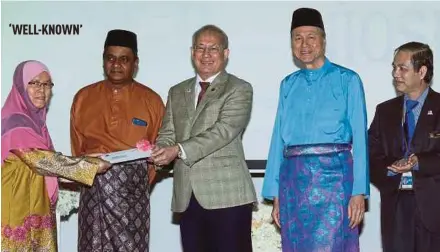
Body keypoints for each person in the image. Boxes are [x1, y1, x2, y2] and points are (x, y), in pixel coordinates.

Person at [262, 8, 370, 251]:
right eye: (297, 38)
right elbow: (278, 140)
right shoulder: (288, 84)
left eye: (311, 37)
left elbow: (361, 141)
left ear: (323, 40)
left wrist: (358, 192)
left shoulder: (348, 79)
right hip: (293, 184)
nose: (304, 44)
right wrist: (275, 192)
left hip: (335, 183)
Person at [150, 24, 257, 252]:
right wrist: (158, 152)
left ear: (226, 53)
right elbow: (167, 133)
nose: (206, 55)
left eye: (213, 48)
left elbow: (224, 131)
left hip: (227, 195)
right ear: (192, 52)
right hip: (187, 197)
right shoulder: (177, 91)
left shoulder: (239, 88)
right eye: (200, 48)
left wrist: (177, 150)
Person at [70, 29, 165, 251]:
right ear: (103, 60)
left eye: (124, 59)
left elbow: (156, 156)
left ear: (135, 63)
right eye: (110, 58)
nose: (116, 65)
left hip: (131, 198)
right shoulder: (83, 97)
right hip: (93, 191)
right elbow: (77, 149)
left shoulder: (151, 100)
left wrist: (129, 182)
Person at [1, 60, 110, 251]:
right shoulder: (15, 122)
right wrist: (89, 165)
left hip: (35, 204)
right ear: (20, 87)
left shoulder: (37, 124)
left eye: (46, 84)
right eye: (34, 83)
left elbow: (47, 158)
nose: (41, 90)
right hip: (16, 208)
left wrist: (86, 158)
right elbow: (44, 161)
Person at [368, 42, 440, 252]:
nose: (395, 74)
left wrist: (419, 162)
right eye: (394, 67)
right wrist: (390, 169)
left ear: (422, 71)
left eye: (402, 68)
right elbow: (371, 155)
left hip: (434, 208)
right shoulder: (385, 111)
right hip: (396, 207)